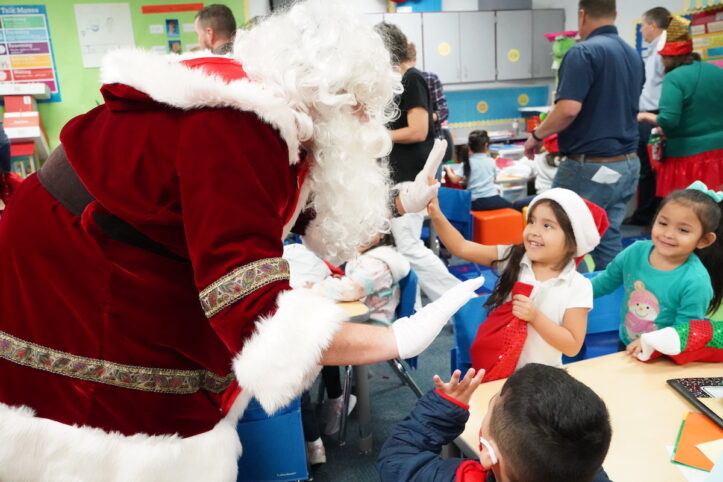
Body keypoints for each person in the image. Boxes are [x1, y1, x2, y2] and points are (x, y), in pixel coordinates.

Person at [0, 2, 484, 479]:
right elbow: (254, 312)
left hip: (109, 254)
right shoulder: (240, 126)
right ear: (329, 96)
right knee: (112, 428)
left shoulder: (270, 117)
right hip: (76, 276)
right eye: (360, 108)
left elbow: (277, 210)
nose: (367, 126)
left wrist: (400, 204)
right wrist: (394, 337)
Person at [524, 0, 645, 270]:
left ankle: (561, 304)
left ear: (581, 15)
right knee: (607, 233)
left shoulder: (584, 52)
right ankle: (607, 301)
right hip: (626, 164)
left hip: (590, 165)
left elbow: (567, 109)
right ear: (614, 14)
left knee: (557, 233)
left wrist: (537, 135)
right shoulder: (633, 55)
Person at [430, 188, 604, 371]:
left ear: (572, 241)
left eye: (547, 225)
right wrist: (436, 213)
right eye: (532, 221)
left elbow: (572, 346)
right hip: (496, 372)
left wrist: (535, 317)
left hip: (543, 377)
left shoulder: (578, 285)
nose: (534, 231)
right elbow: (461, 247)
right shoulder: (514, 257)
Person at [377, 364, 613, 482]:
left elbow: (397, 459)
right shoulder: (579, 464)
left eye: (492, 403)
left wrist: (443, 408)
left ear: (489, 453)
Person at [376, 21, 460, 302]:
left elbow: (418, 130)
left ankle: (456, 300)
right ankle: (416, 308)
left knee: (410, 246)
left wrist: (379, 136)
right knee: (403, 247)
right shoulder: (397, 84)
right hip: (399, 176)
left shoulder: (412, 79)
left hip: (410, 175)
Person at [592, 182, 721, 357]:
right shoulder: (635, 252)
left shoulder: (696, 281)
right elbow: (605, 282)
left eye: (683, 230)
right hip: (627, 341)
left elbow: (685, 330)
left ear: (704, 240)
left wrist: (651, 343)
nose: (668, 234)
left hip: (663, 354)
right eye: (663, 223)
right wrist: (570, 293)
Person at [637, 16, 723, 197]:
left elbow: (668, 120)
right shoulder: (716, 70)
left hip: (687, 157)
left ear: (669, 57)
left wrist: (645, 116)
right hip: (719, 154)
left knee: (687, 207)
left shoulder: (674, 78)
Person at [625, 7, 670, 227]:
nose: (642, 30)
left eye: (643, 25)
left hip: (654, 116)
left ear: (653, 25)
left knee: (651, 170)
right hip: (645, 115)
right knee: (645, 169)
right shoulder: (653, 49)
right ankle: (645, 215)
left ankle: (647, 216)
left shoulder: (664, 50)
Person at [443, 130, 513, 212]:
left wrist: (448, 169)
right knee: (512, 206)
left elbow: (454, 180)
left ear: (469, 147)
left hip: (475, 203)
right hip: (493, 199)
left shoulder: (467, 163)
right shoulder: (491, 161)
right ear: (486, 145)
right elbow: (495, 178)